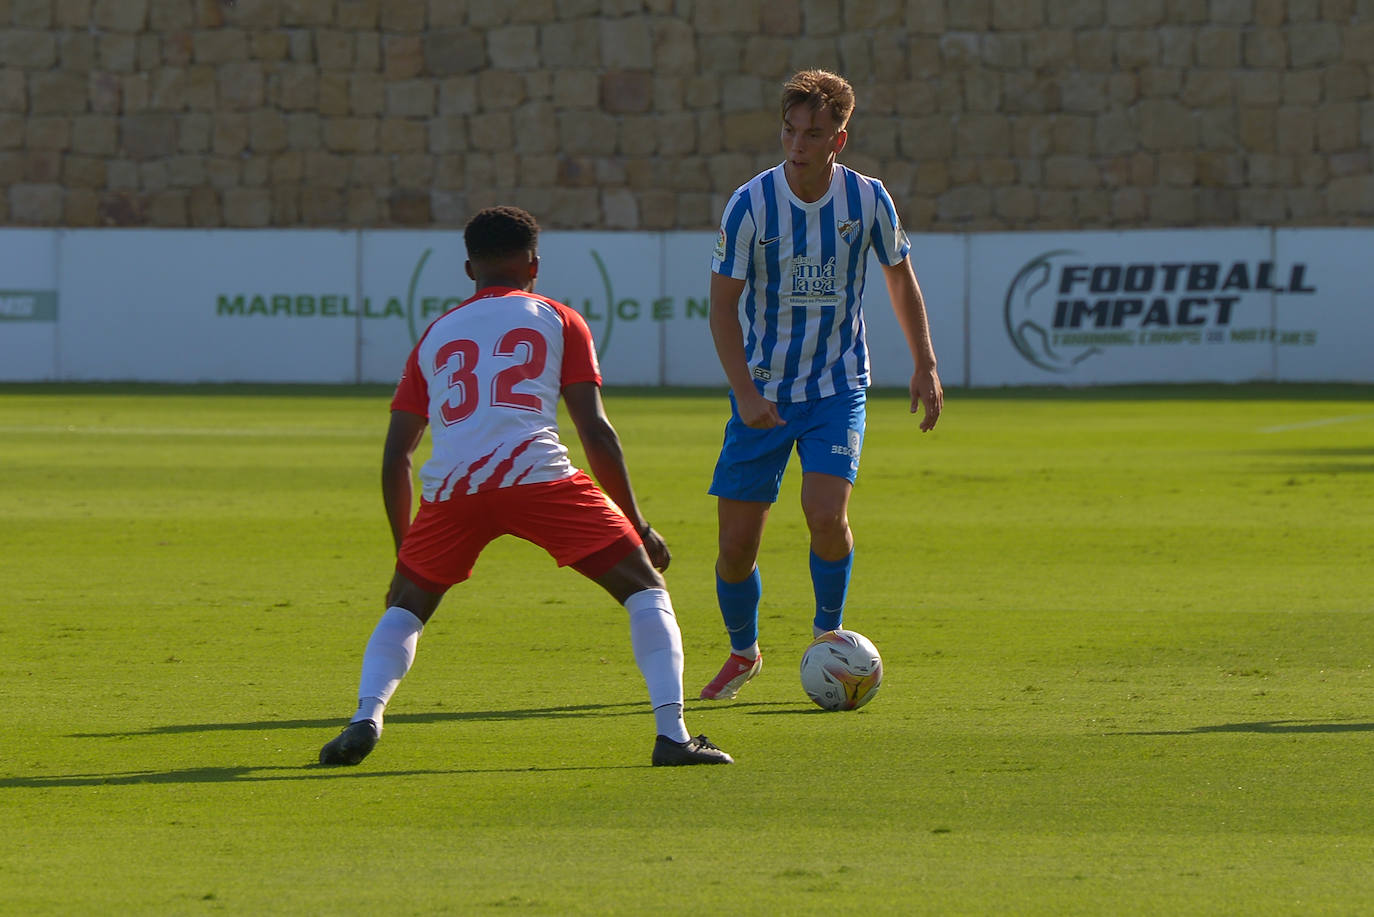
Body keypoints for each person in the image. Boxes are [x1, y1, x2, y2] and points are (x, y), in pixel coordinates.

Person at [319, 205, 731, 766]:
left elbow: (397, 457)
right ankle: (673, 735)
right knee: (645, 591)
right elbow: (595, 430)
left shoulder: (436, 335)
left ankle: (366, 716)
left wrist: (405, 555)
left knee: (406, 609)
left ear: (469, 270)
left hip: (454, 489)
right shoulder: (558, 317)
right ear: (534, 263)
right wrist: (638, 523)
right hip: (537, 476)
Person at [699, 69, 943, 700]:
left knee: (825, 516)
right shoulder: (751, 204)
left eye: (812, 132)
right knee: (734, 548)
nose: (796, 143)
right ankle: (743, 651)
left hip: (838, 387)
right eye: (789, 129)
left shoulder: (868, 199)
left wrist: (926, 363)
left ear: (839, 137)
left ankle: (828, 638)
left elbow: (898, 278)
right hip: (764, 393)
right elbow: (722, 308)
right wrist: (747, 396)